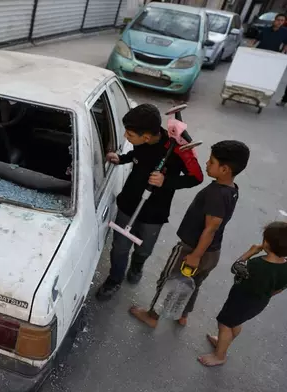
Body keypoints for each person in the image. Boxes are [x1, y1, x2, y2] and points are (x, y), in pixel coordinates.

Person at [130, 140, 250, 327]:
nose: (206, 164)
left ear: (225, 169)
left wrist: (194, 255)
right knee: (192, 283)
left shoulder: (215, 194)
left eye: (211, 162)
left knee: (168, 280)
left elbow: (211, 227)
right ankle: (182, 314)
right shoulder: (231, 190)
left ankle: (152, 316)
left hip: (191, 249)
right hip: (212, 253)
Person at [95, 104, 203, 301]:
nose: (126, 137)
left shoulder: (178, 148)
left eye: (129, 134)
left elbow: (196, 177)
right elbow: (137, 156)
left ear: (146, 136)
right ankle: (114, 279)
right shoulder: (140, 142)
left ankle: (137, 266)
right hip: (128, 204)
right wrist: (122, 158)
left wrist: (166, 181)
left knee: (144, 249)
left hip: (154, 213)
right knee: (119, 247)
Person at [198, 222, 287, 367]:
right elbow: (279, 289)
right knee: (236, 322)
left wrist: (250, 252)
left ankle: (219, 355)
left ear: (267, 244)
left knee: (225, 324)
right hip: (259, 302)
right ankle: (223, 342)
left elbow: (236, 268)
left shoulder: (257, 264)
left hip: (241, 299)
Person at [250, 13, 287, 107]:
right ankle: (250, 91)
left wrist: (282, 53)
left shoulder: (284, 32)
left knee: (265, 76)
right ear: (274, 20)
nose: (280, 22)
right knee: (254, 74)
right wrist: (249, 48)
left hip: (273, 57)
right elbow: (256, 39)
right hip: (260, 54)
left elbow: (286, 44)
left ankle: (260, 95)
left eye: (282, 21)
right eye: (278, 20)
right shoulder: (266, 29)